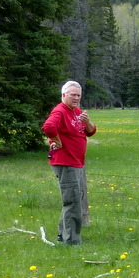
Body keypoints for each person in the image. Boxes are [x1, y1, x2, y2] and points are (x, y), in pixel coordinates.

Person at [42, 81, 97, 245]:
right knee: (72, 201)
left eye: (78, 95)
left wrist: (87, 121)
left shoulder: (76, 111)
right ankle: (71, 240)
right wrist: (57, 141)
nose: (76, 98)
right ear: (63, 95)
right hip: (66, 162)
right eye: (72, 94)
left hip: (76, 161)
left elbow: (91, 131)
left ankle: (63, 233)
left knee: (75, 199)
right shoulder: (60, 111)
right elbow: (49, 127)